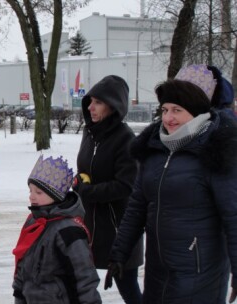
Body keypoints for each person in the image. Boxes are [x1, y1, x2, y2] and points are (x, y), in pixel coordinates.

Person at [108, 78, 237, 303]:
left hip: (200, 272)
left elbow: (233, 215)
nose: (168, 118)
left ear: (196, 113)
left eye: (177, 110)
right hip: (158, 268)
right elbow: (137, 207)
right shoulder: (155, 149)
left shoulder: (216, 151)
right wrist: (119, 253)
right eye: (165, 109)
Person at [73, 75, 143, 303]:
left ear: (114, 106)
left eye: (98, 102)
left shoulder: (126, 139)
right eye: (90, 101)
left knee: (128, 287)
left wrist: (88, 191)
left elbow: (126, 185)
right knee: (77, 284)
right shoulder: (90, 133)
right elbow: (85, 170)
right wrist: (76, 184)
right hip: (88, 224)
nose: (91, 107)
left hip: (118, 228)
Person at [12, 155, 102, 304]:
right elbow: (22, 267)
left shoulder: (69, 231)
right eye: (30, 191)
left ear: (56, 194)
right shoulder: (33, 221)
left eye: (38, 192)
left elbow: (85, 278)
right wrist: (19, 296)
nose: (31, 197)